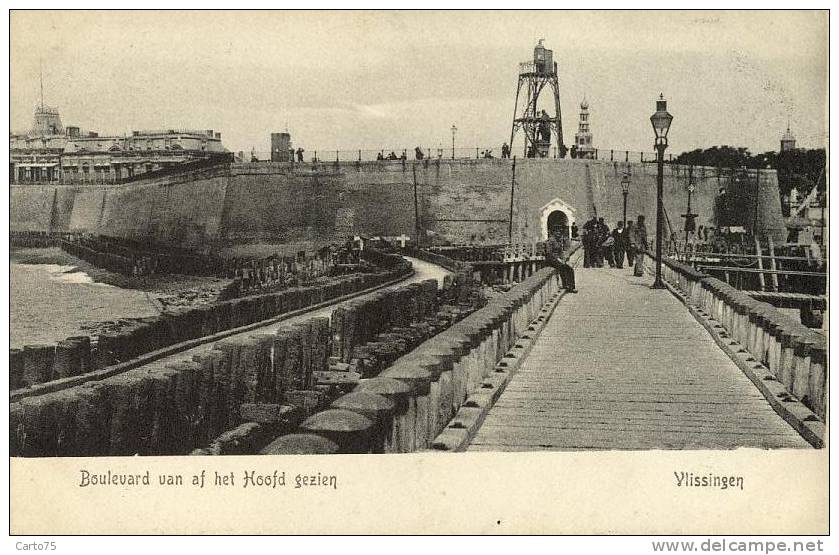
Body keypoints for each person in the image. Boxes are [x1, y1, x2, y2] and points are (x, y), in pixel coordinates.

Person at [545, 229, 577, 293]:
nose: (558, 233)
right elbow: (549, 253)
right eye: (557, 232)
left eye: (559, 232)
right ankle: (567, 286)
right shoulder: (550, 241)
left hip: (558, 260)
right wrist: (558, 259)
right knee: (563, 267)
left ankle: (571, 286)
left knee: (570, 269)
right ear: (553, 233)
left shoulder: (558, 241)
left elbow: (561, 252)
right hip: (551, 260)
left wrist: (563, 259)